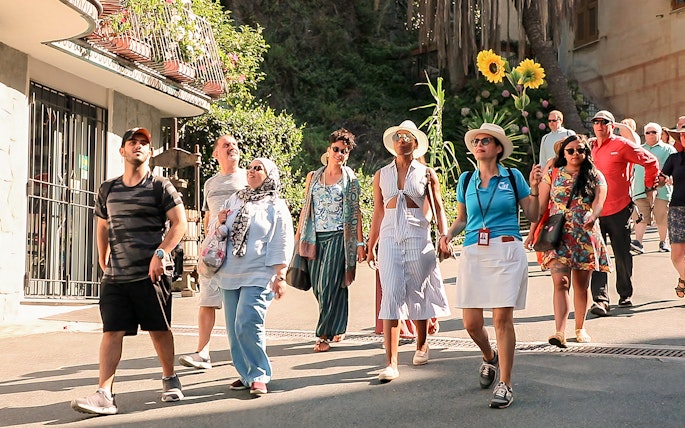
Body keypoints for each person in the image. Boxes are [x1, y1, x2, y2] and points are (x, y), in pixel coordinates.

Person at [71, 127, 188, 415]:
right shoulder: (107, 188)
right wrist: (102, 257)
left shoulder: (161, 186)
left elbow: (180, 223)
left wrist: (161, 253)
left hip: (151, 273)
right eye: (132, 142)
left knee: (159, 329)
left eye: (143, 144)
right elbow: (102, 224)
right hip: (116, 275)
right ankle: (104, 394)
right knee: (111, 331)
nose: (138, 146)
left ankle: (170, 378)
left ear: (150, 153)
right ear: (122, 150)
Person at [439, 122, 541, 409]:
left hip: (507, 249)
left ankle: (505, 384)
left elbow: (533, 213)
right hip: (474, 250)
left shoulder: (513, 175)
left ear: (497, 148)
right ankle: (489, 356)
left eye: (486, 141)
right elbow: (461, 218)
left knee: (501, 319)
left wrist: (534, 190)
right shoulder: (466, 179)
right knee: (471, 323)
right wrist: (447, 234)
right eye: (476, 141)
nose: (480, 144)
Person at [366, 120, 451, 383]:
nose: (402, 140)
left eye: (408, 136)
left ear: (415, 143)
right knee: (390, 293)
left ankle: (422, 345)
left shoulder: (427, 173)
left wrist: (444, 237)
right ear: (393, 143)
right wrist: (370, 245)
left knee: (420, 289)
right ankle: (391, 363)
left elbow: (438, 208)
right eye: (398, 136)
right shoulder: (381, 174)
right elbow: (378, 211)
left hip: (418, 234)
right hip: (390, 237)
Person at [215, 157, 294, 396]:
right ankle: (246, 372)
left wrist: (280, 275)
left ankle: (259, 374)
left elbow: (282, 239)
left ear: (269, 175)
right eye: (250, 167)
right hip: (230, 271)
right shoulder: (236, 198)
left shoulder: (275, 204)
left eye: (258, 168)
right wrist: (219, 222)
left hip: (259, 272)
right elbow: (219, 230)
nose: (251, 171)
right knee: (233, 328)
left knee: (247, 322)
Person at [179, 135, 247, 369]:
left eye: (235, 145)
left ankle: (244, 352)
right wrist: (204, 242)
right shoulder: (210, 183)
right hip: (214, 249)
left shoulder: (248, 178)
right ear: (215, 153)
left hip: (239, 249)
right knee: (207, 300)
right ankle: (203, 353)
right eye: (226, 145)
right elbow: (208, 215)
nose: (232, 148)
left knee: (239, 303)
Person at [538, 135, 611, 347]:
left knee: (581, 285)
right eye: (570, 151)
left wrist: (593, 215)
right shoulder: (552, 174)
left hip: (585, 234)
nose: (575, 154)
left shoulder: (595, 176)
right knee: (560, 283)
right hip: (558, 235)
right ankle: (559, 331)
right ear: (563, 154)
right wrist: (533, 231)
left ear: (587, 153)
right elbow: (541, 205)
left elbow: (599, 201)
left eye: (580, 150)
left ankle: (580, 327)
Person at [296, 128, 366, 352]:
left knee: (328, 285)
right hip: (314, 237)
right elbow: (306, 208)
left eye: (344, 151)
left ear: (348, 155)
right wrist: (298, 236)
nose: (339, 154)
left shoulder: (350, 180)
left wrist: (360, 243)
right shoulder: (313, 177)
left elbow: (356, 213)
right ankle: (338, 326)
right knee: (319, 286)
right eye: (336, 149)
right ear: (328, 150)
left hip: (339, 237)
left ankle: (323, 335)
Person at [588, 110, 659, 316]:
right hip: (596, 211)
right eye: (596, 122)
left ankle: (624, 293)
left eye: (604, 122)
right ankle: (600, 300)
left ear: (612, 125)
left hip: (620, 209)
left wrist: (648, 187)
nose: (600, 126)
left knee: (622, 255)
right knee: (597, 256)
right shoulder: (590, 147)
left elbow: (650, 161)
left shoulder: (622, 145)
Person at [630, 123, 676, 254]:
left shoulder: (668, 150)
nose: (651, 135)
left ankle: (663, 242)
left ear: (660, 134)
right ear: (644, 134)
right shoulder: (638, 150)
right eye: (648, 132)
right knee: (640, 215)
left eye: (654, 132)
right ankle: (638, 242)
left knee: (661, 215)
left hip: (661, 189)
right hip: (640, 189)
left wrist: (671, 178)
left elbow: (674, 167)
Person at [661, 127, 685, 298]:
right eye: (682, 135)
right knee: (676, 256)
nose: (684, 138)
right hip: (677, 209)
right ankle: (684, 278)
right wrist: (659, 180)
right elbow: (661, 180)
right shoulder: (674, 159)